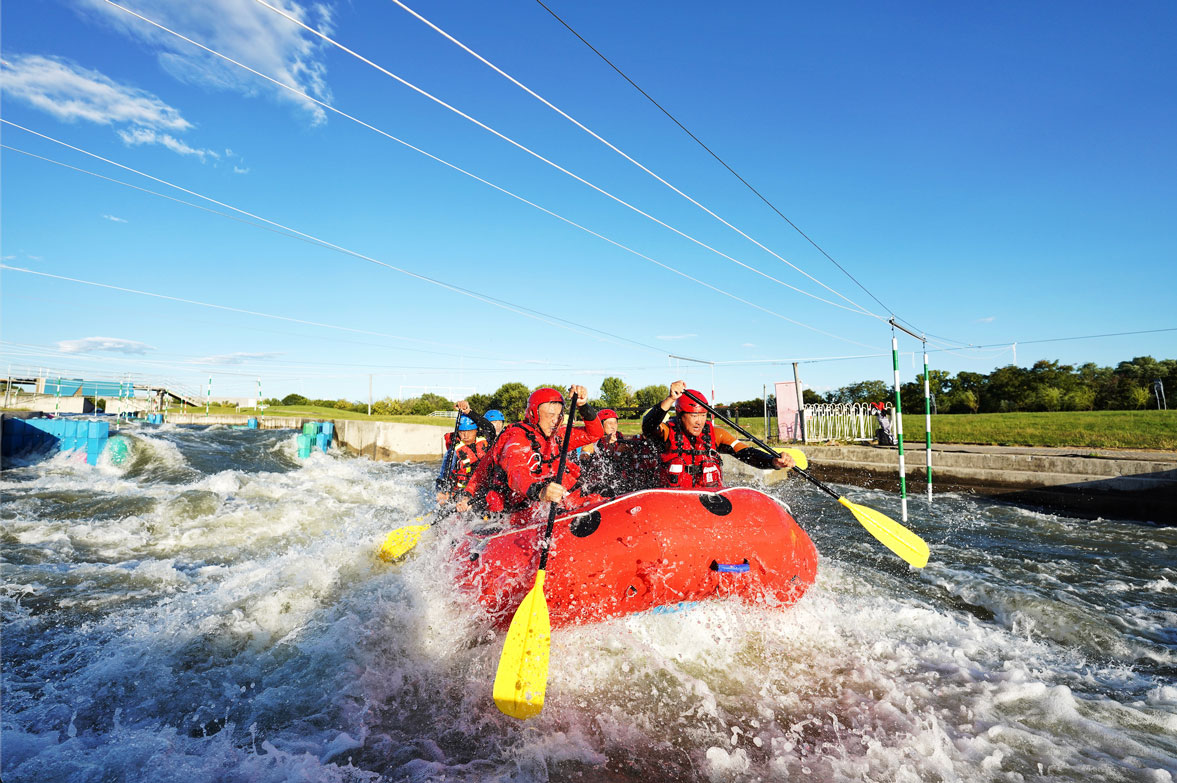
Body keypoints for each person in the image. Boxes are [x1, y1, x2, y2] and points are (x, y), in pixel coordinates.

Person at [459, 385, 604, 518]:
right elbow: (517, 473)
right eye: (550, 415)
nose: (555, 421)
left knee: (599, 494)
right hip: (517, 508)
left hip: (546, 499)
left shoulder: (557, 435)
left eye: (559, 415)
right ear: (535, 414)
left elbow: (595, 434)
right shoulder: (517, 439)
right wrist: (540, 492)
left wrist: (583, 406)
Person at [643, 380, 794, 489]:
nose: (699, 422)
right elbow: (648, 427)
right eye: (694, 416)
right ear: (679, 414)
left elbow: (746, 453)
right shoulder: (667, 432)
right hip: (672, 499)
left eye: (703, 415)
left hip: (707, 499)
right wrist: (670, 399)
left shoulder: (716, 434)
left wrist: (773, 461)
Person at [578, 408, 661, 496]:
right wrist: (610, 447)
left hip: (618, 481)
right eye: (610, 423)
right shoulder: (592, 442)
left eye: (615, 423)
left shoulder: (620, 437)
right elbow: (585, 461)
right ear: (601, 425)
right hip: (599, 483)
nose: (613, 426)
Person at [436, 400, 496, 504]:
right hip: (461, 492)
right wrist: (441, 491)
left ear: (476, 430)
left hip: (483, 489)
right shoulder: (453, 451)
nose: (466, 435)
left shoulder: (486, 440)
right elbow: (444, 473)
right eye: (462, 432)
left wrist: (468, 412)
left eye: (469, 431)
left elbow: (490, 428)